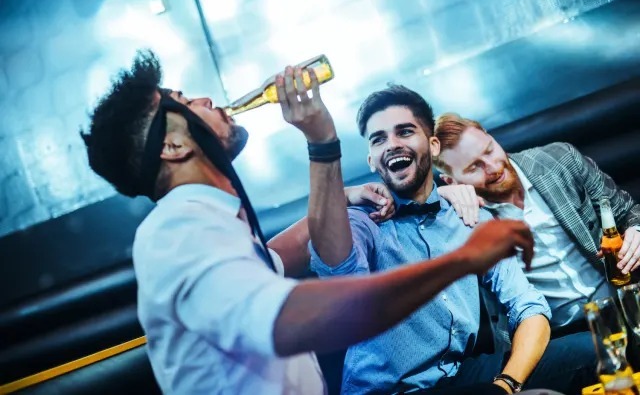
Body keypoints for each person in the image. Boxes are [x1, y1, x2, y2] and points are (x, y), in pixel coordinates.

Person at [80, 51, 539, 395]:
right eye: (184, 101)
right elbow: (299, 316)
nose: (205, 99)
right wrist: (461, 260)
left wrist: (332, 170)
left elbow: (280, 256)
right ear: (173, 147)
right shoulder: (178, 233)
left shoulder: (214, 224)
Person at [306, 84, 596, 394]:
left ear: (432, 145)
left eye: (405, 132)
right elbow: (338, 269)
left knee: (593, 352)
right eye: (379, 139)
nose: (392, 144)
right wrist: (324, 152)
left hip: (459, 374)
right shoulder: (362, 221)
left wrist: (507, 384)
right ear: (371, 161)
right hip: (389, 391)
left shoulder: (469, 216)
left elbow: (527, 305)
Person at [432, 112, 640, 336]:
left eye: (489, 150)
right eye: (474, 167)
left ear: (490, 137)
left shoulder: (560, 158)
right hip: (559, 335)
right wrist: (437, 196)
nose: (493, 168)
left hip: (624, 299)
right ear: (452, 181)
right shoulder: (458, 219)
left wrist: (636, 230)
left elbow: (627, 211)